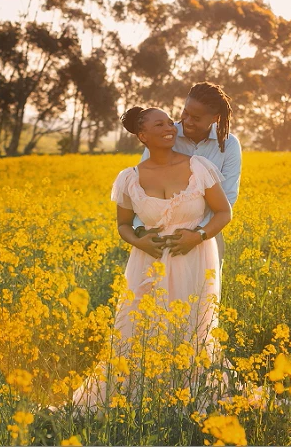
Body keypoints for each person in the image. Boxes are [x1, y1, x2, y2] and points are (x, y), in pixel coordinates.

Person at [71, 106, 233, 411]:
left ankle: (188, 400)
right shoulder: (128, 178)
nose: (170, 126)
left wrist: (197, 235)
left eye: (169, 121)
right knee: (137, 329)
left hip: (193, 259)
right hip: (146, 263)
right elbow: (122, 224)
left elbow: (224, 212)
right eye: (159, 124)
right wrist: (139, 241)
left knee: (189, 329)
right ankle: (136, 401)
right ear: (143, 135)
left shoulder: (198, 167)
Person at [133, 82, 242, 264]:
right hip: (158, 238)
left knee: (202, 292)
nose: (187, 121)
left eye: (196, 118)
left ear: (214, 118)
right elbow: (142, 186)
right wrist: (141, 230)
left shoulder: (228, 144)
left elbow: (228, 196)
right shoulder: (166, 135)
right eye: (186, 113)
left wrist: (197, 233)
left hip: (207, 235)